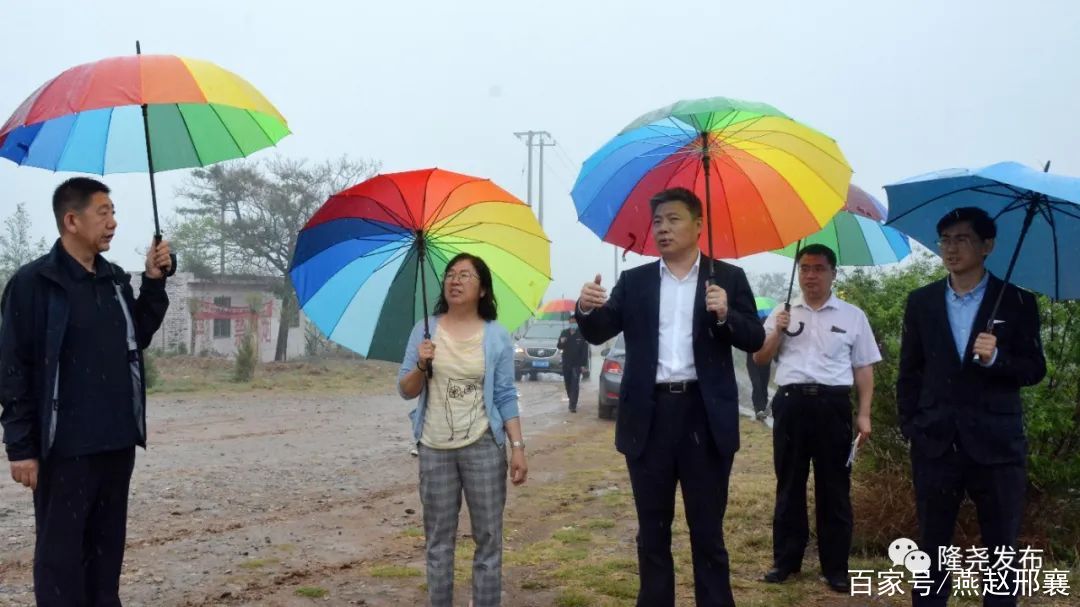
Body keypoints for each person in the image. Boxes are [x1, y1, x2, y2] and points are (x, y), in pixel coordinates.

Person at [576, 187, 764, 607]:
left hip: (704, 416)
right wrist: (586, 308)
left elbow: (754, 338)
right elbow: (599, 330)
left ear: (699, 225)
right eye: (657, 221)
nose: (662, 228)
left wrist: (725, 315)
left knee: (707, 532)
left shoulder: (727, 279)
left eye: (673, 219)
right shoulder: (636, 281)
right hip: (650, 416)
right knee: (653, 530)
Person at [1, 177, 172, 607]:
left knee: (106, 554)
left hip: (116, 443)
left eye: (113, 212)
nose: (113, 222)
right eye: (104, 213)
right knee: (60, 558)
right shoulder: (33, 284)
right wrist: (20, 446)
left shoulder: (114, 280)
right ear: (71, 220)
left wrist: (153, 281)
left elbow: (137, 336)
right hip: (65, 448)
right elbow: (12, 369)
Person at [898, 207, 1045, 607]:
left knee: (1000, 549)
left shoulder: (1016, 302)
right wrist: (912, 426)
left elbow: (1035, 368)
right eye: (945, 239)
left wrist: (998, 360)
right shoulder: (922, 301)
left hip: (997, 446)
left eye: (962, 238)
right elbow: (909, 372)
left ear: (987, 246)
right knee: (931, 547)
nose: (951, 248)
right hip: (936, 442)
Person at [398, 252, 528, 607]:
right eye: (451, 274)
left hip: (484, 447)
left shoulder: (497, 336)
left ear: (483, 289)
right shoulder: (424, 330)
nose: (455, 280)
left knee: (488, 538)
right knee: (439, 541)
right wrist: (422, 364)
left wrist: (517, 446)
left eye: (465, 275)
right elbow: (406, 389)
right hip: (434, 447)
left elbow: (504, 394)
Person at [751, 244, 881, 593]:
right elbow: (761, 358)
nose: (811, 275)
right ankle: (786, 562)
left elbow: (864, 367)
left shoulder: (853, 316)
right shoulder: (783, 311)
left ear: (833, 273)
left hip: (834, 406)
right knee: (789, 484)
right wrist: (777, 330)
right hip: (791, 404)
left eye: (819, 269)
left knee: (834, 489)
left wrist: (864, 413)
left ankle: (835, 568)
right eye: (805, 268)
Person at [557, 316, 589, 413]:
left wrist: (584, 365)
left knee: (575, 384)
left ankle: (573, 405)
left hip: (577, 364)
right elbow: (559, 346)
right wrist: (562, 342)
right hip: (566, 363)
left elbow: (585, 351)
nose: (572, 324)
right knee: (568, 384)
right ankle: (571, 399)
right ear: (568, 323)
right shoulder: (564, 333)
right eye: (571, 322)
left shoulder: (582, 334)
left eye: (574, 322)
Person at [745, 313, 772, 420]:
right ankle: (758, 409)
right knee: (757, 384)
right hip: (752, 363)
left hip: (765, 363)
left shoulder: (769, 335)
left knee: (764, 385)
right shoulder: (753, 332)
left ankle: (763, 408)